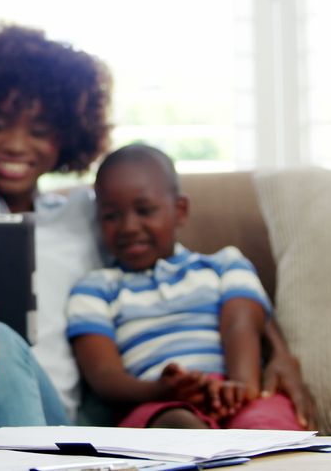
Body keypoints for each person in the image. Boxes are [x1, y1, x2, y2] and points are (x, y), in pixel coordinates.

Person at [0, 24, 316, 435]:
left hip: (55, 418)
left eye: (39, 130)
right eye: (1, 124)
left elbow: (203, 277)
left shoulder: (93, 215)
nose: (15, 145)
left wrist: (280, 354)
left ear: (68, 135)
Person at [67, 144, 304, 430]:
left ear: (180, 210)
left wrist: (240, 388)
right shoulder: (94, 289)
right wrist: (162, 391)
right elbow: (104, 375)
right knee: (176, 425)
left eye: (144, 210)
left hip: (233, 388)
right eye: (111, 216)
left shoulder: (225, 265)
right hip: (155, 401)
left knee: (266, 423)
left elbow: (240, 326)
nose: (128, 226)